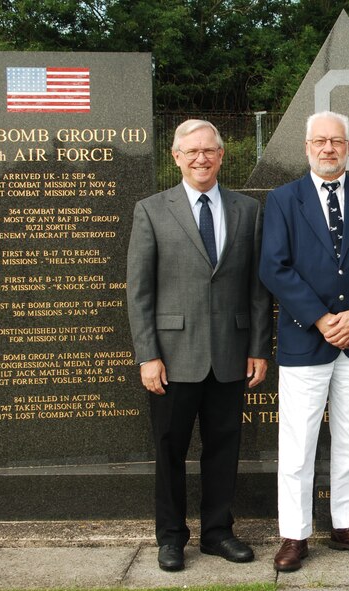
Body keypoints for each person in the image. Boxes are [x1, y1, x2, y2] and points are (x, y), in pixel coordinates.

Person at [126, 119, 271, 572]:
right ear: (176, 157)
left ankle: (217, 533)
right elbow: (140, 291)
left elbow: (257, 289)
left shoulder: (247, 211)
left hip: (230, 355)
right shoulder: (151, 210)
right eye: (191, 152)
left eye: (209, 151)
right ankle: (171, 538)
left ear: (222, 156)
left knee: (224, 448)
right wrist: (147, 354)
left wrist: (259, 348)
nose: (201, 158)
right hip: (171, 359)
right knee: (169, 451)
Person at [259, 111, 349, 572]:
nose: (328, 148)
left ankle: (347, 524)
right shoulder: (282, 199)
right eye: (319, 141)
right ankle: (295, 535)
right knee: (297, 445)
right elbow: (274, 267)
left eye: (336, 141)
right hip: (305, 340)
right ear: (306, 148)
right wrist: (321, 319)